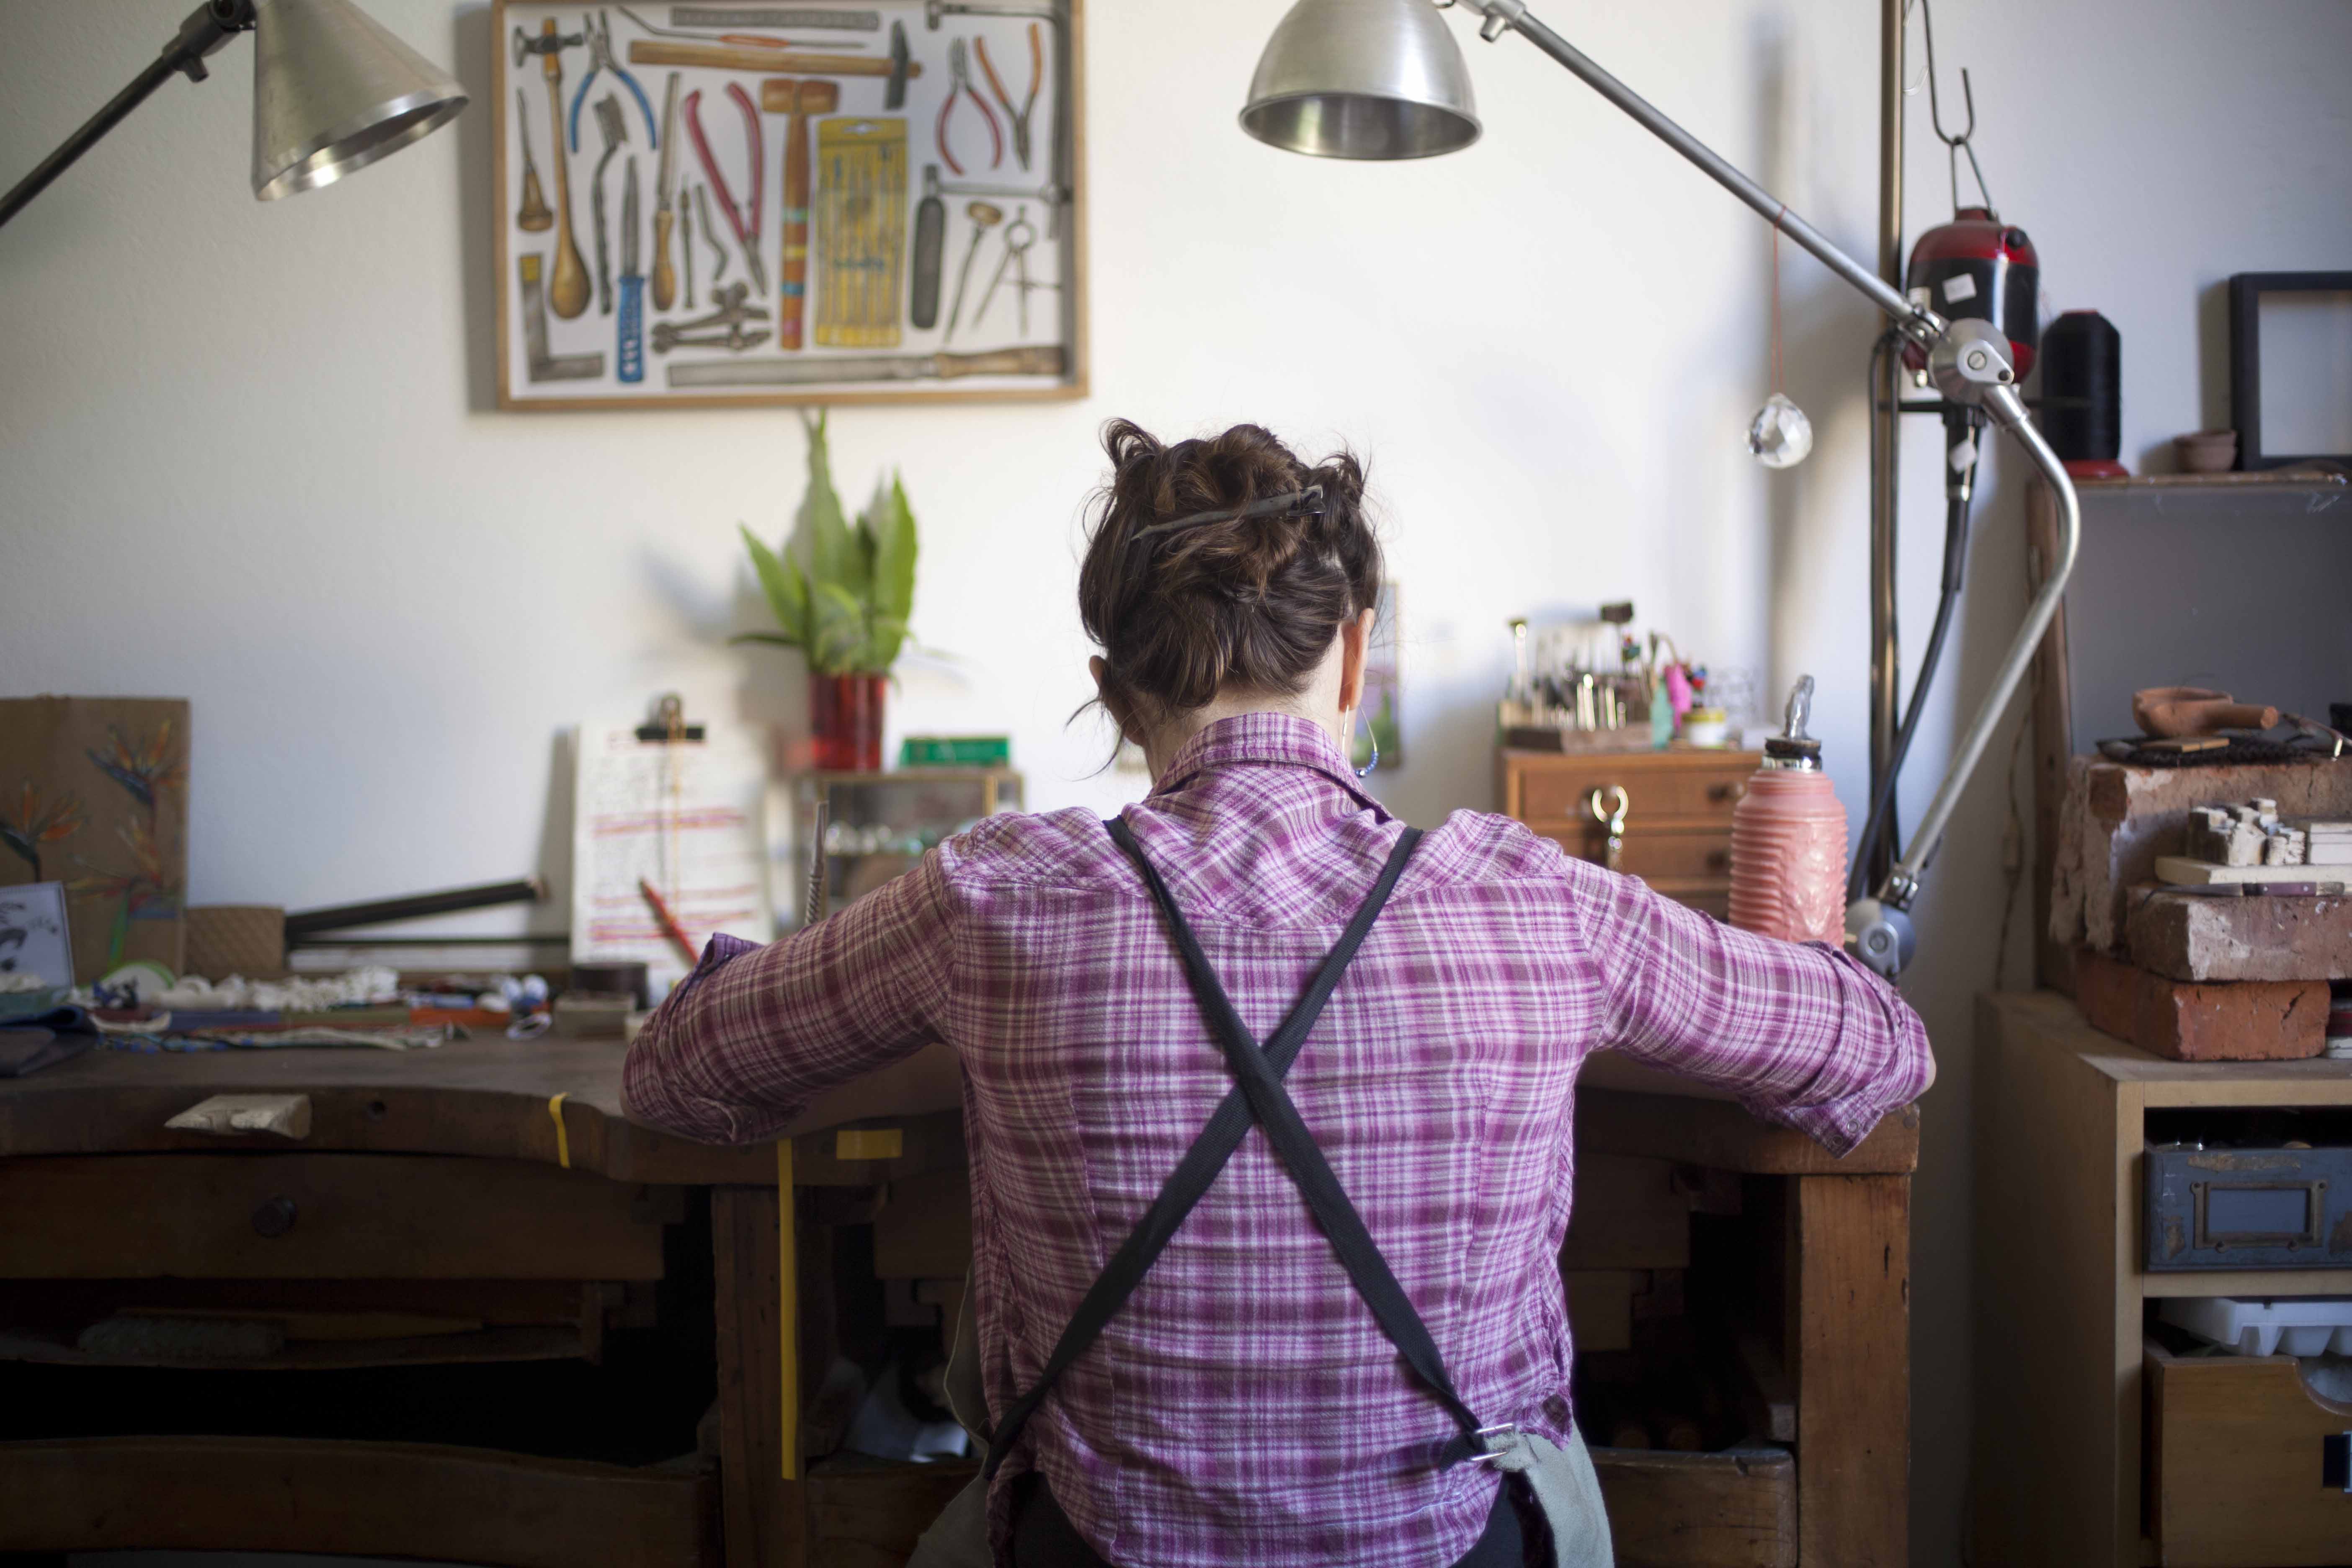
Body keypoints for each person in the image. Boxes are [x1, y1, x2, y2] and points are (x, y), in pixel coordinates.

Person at [623, 419, 1934, 1568]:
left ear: (1113, 696)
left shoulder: (990, 899)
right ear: (1355, 659)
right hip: (1453, 1552)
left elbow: (675, 1071)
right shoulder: (1537, 903)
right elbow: (1880, 1048)